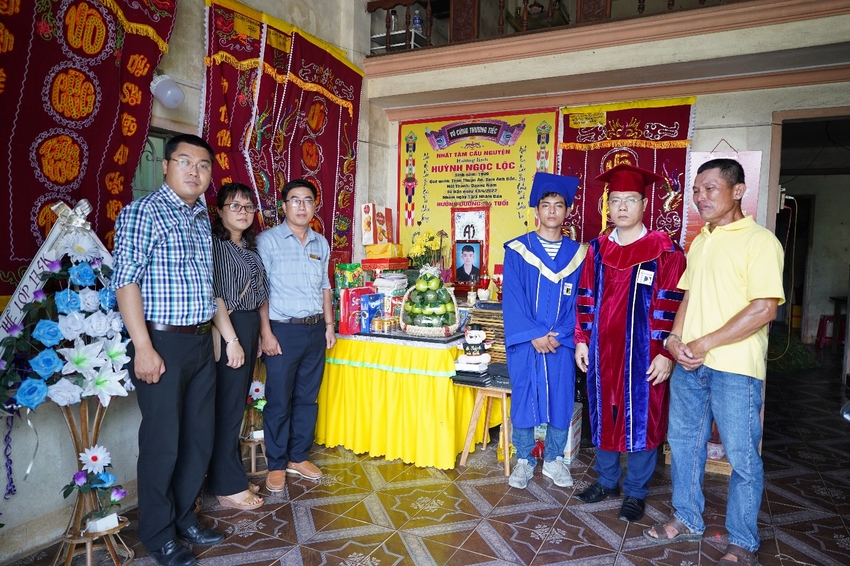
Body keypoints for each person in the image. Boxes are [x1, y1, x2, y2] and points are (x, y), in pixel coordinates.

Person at [643, 159, 784, 566]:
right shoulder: (700, 241)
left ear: (738, 191)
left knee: (741, 456)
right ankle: (687, 517)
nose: (700, 197)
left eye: (710, 189)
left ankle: (742, 539)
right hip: (689, 364)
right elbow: (688, 296)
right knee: (685, 446)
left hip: (735, 369)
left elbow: (763, 309)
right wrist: (674, 338)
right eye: (696, 190)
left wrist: (704, 343)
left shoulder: (760, 241)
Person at [112, 134, 224, 566]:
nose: (195, 171)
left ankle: (183, 518)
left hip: (199, 341)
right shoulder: (143, 213)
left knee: (198, 439)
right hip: (161, 342)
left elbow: (207, 286)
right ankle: (158, 534)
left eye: (203, 165)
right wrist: (142, 346)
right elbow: (126, 281)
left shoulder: (200, 217)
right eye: (185, 161)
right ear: (165, 165)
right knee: (163, 443)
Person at [574, 164, 686, 523]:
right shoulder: (596, 249)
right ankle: (608, 481)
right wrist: (581, 341)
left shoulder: (664, 250)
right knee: (604, 414)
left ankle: (636, 491)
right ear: (608, 206)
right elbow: (585, 297)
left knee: (643, 420)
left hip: (645, 356)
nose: (622, 207)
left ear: (643, 204)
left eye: (630, 200)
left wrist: (666, 354)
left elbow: (673, 306)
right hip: (602, 353)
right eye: (615, 200)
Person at [502, 171, 585, 490]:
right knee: (524, 397)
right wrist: (533, 333)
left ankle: (553, 460)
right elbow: (513, 297)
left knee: (560, 399)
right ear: (536, 211)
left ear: (567, 212)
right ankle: (523, 460)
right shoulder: (517, 251)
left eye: (559, 205)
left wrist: (559, 336)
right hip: (526, 341)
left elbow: (580, 302)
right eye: (546, 204)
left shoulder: (579, 255)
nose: (552, 210)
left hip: (560, 343)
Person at [257, 179, 336, 491]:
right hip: (281, 331)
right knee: (278, 399)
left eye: (307, 200)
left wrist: (329, 326)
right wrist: (266, 333)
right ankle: (276, 463)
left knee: (307, 397)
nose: (302, 206)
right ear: (284, 206)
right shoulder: (268, 241)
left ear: (314, 206)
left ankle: (298, 456)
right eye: (295, 200)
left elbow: (325, 287)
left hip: (315, 329)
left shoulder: (321, 243)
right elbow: (261, 291)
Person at [207, 183, 269, 511]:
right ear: (219, 211)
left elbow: (259, 295)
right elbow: (214, 295)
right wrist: (232, 340)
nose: (243, 212)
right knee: (227, 410)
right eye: (235, 206)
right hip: (228, 328)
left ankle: (230, 474)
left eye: (248, 207)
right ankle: (225, 486)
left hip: (247, 327)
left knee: (235, 408)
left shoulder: (249, 248)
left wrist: (257, 335)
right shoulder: (215, 247)